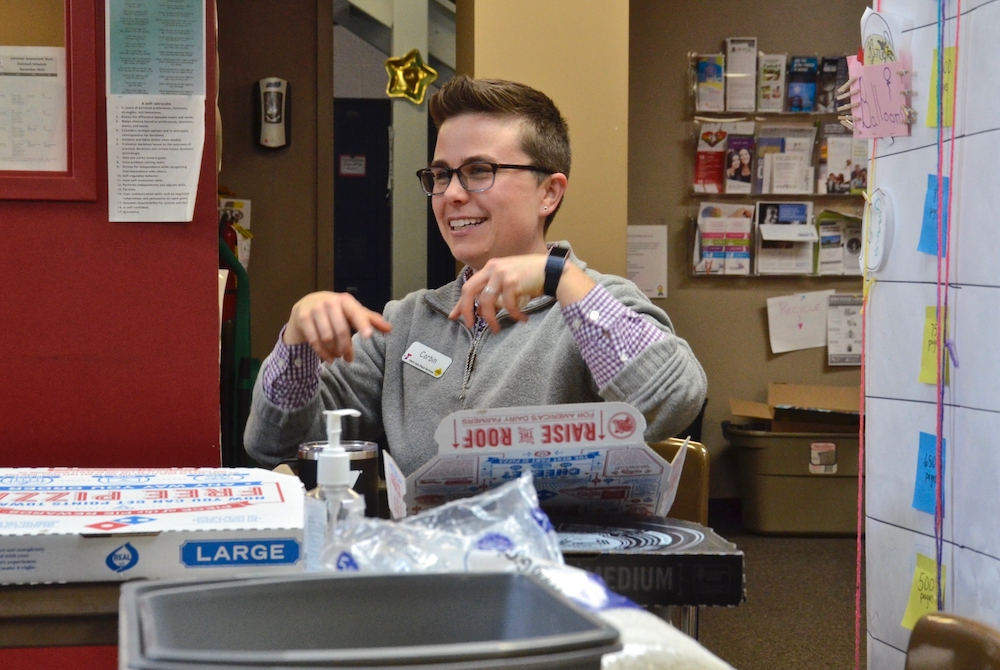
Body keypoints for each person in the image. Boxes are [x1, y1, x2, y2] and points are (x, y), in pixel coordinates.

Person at [245, 76, 708, 476]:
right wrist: (297, 346)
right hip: (436, 566)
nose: (452, 195)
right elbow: (277, 447)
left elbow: (672, 402)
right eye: (441, 175)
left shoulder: (593, 303)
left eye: (479, 171)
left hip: (558, 567)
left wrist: (559, 280)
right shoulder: (405, 323)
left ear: (549, 192)